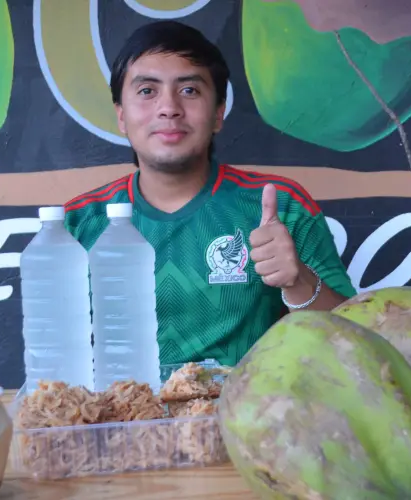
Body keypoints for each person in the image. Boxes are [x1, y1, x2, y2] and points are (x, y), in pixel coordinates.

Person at [64, 20, 357, 367]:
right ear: (121, 116)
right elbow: (59, 357)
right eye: (147, 91)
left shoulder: (281, 206)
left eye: (189, 90)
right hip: (125, 415)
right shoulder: (81, 222)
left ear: (218, 114)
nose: (168, 107)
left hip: (248, 413)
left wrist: (299, 281)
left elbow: (353, 338)